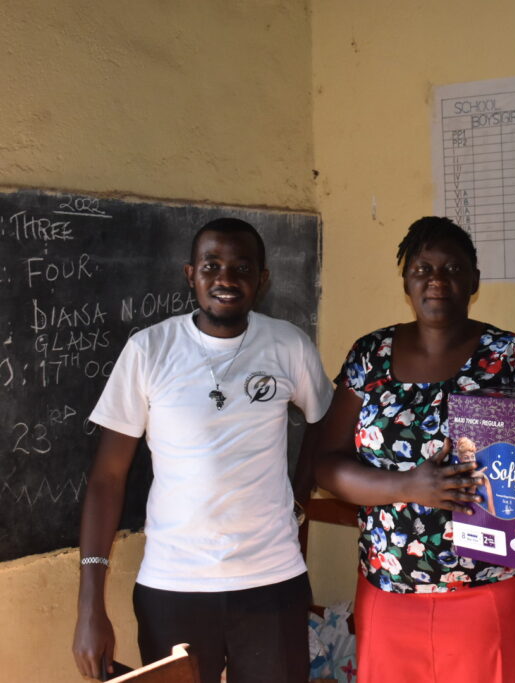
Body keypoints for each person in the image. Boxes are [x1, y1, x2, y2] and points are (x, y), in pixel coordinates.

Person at [315, 216, 515, 683]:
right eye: (422, 269)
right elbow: (326, 464)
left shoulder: (510, 357)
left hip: (495, 595)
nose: (437, 280)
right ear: (406, 281)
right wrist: (407, 486)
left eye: (452, 268)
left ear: (474, 280)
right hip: (388, 593)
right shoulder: (370, 355)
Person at [72, 218, 334, 682]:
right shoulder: (149, 350)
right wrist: (90, 608)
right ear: (190, 274)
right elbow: (107, 479)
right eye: (211, 266)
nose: (226, 278)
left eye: (242, 267)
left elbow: (326, 425)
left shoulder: (288, 345)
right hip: (173, 587)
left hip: (273, 582)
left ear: (262, 279)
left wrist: (297, 495)